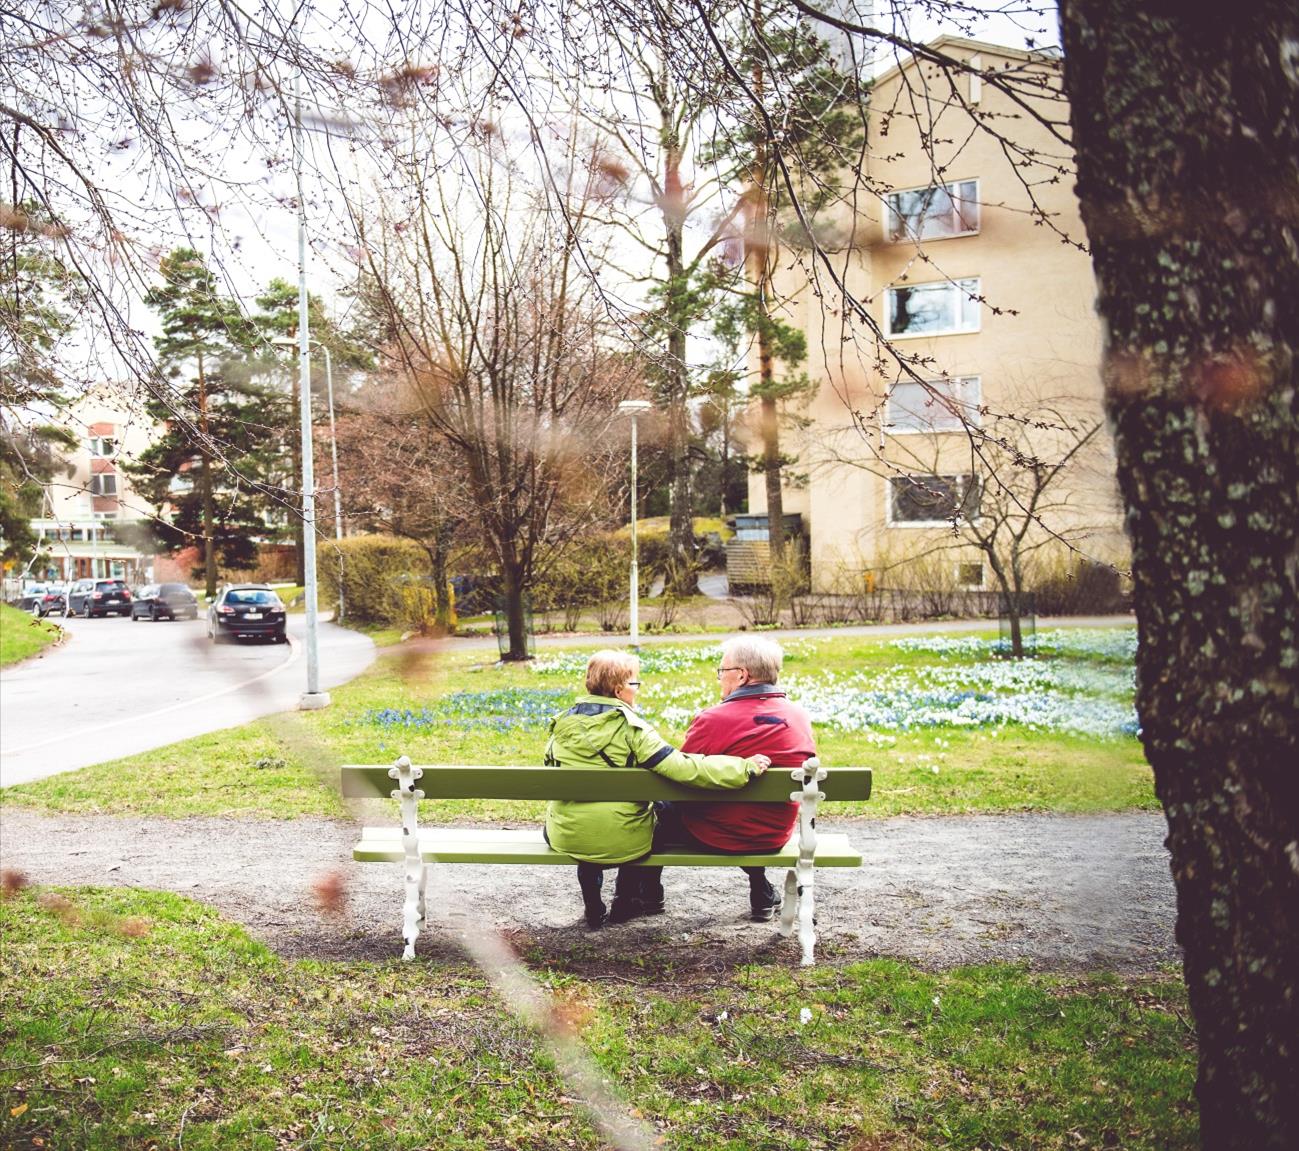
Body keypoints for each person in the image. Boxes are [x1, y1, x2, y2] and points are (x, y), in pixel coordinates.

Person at [544, 649, 771, 928]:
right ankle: (626, 900)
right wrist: (743, 767)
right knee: (642, 824)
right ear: (618, 690)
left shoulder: (560, 723)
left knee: (587, 822)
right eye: (634, 684)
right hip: (623, 838)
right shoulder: (633, 730)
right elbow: (683, 768)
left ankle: (593, 907)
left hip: (567, 836)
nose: (637, 691)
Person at [642, 636, 816, 921]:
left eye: (722, 671)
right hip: (774, 832)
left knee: (660, 811)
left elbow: (680, 779)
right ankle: (761, 891)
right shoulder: (799, 716)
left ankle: (646, 893)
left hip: (714, 833)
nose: (720, 678)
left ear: (742, 675)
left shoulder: (714, 719)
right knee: (741, 811)